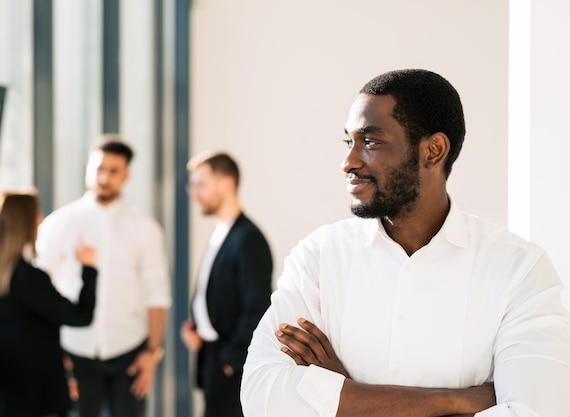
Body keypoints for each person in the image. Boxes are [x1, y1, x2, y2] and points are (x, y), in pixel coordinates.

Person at [240, 69, 570, 417]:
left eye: (370, 142)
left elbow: (535, 412)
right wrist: (455, 401)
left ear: (433, 150)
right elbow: (262, 396)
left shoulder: (520, 270)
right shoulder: (319, 257)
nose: (347, 162)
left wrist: (343, 398)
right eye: (348, 142)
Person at [36, 136, 171, 417]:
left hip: (129, 353)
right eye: (98, 168)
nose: (104, 177)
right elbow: (43, 293)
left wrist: (152, 353)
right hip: (73, 352)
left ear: (126, 176)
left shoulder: (145, 229)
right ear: (87, 168)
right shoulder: (58, 224)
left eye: (113, 170)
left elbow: (156, 293)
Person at [0, 190, 97, 417]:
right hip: (37, 400)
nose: (40, 220)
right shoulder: (28, 278)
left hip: (3, 397)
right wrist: (89, 268)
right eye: (36, 215)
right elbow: (80, 316)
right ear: (23, 224)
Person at [181, 151, 273, 417]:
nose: (193, 193)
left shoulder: (248, 239)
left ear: (227, 184)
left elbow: (256, 306)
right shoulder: (221, 233)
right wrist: (198, 325)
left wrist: (231, 361)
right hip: (211, 356)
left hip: (231, 365)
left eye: (200, 185)